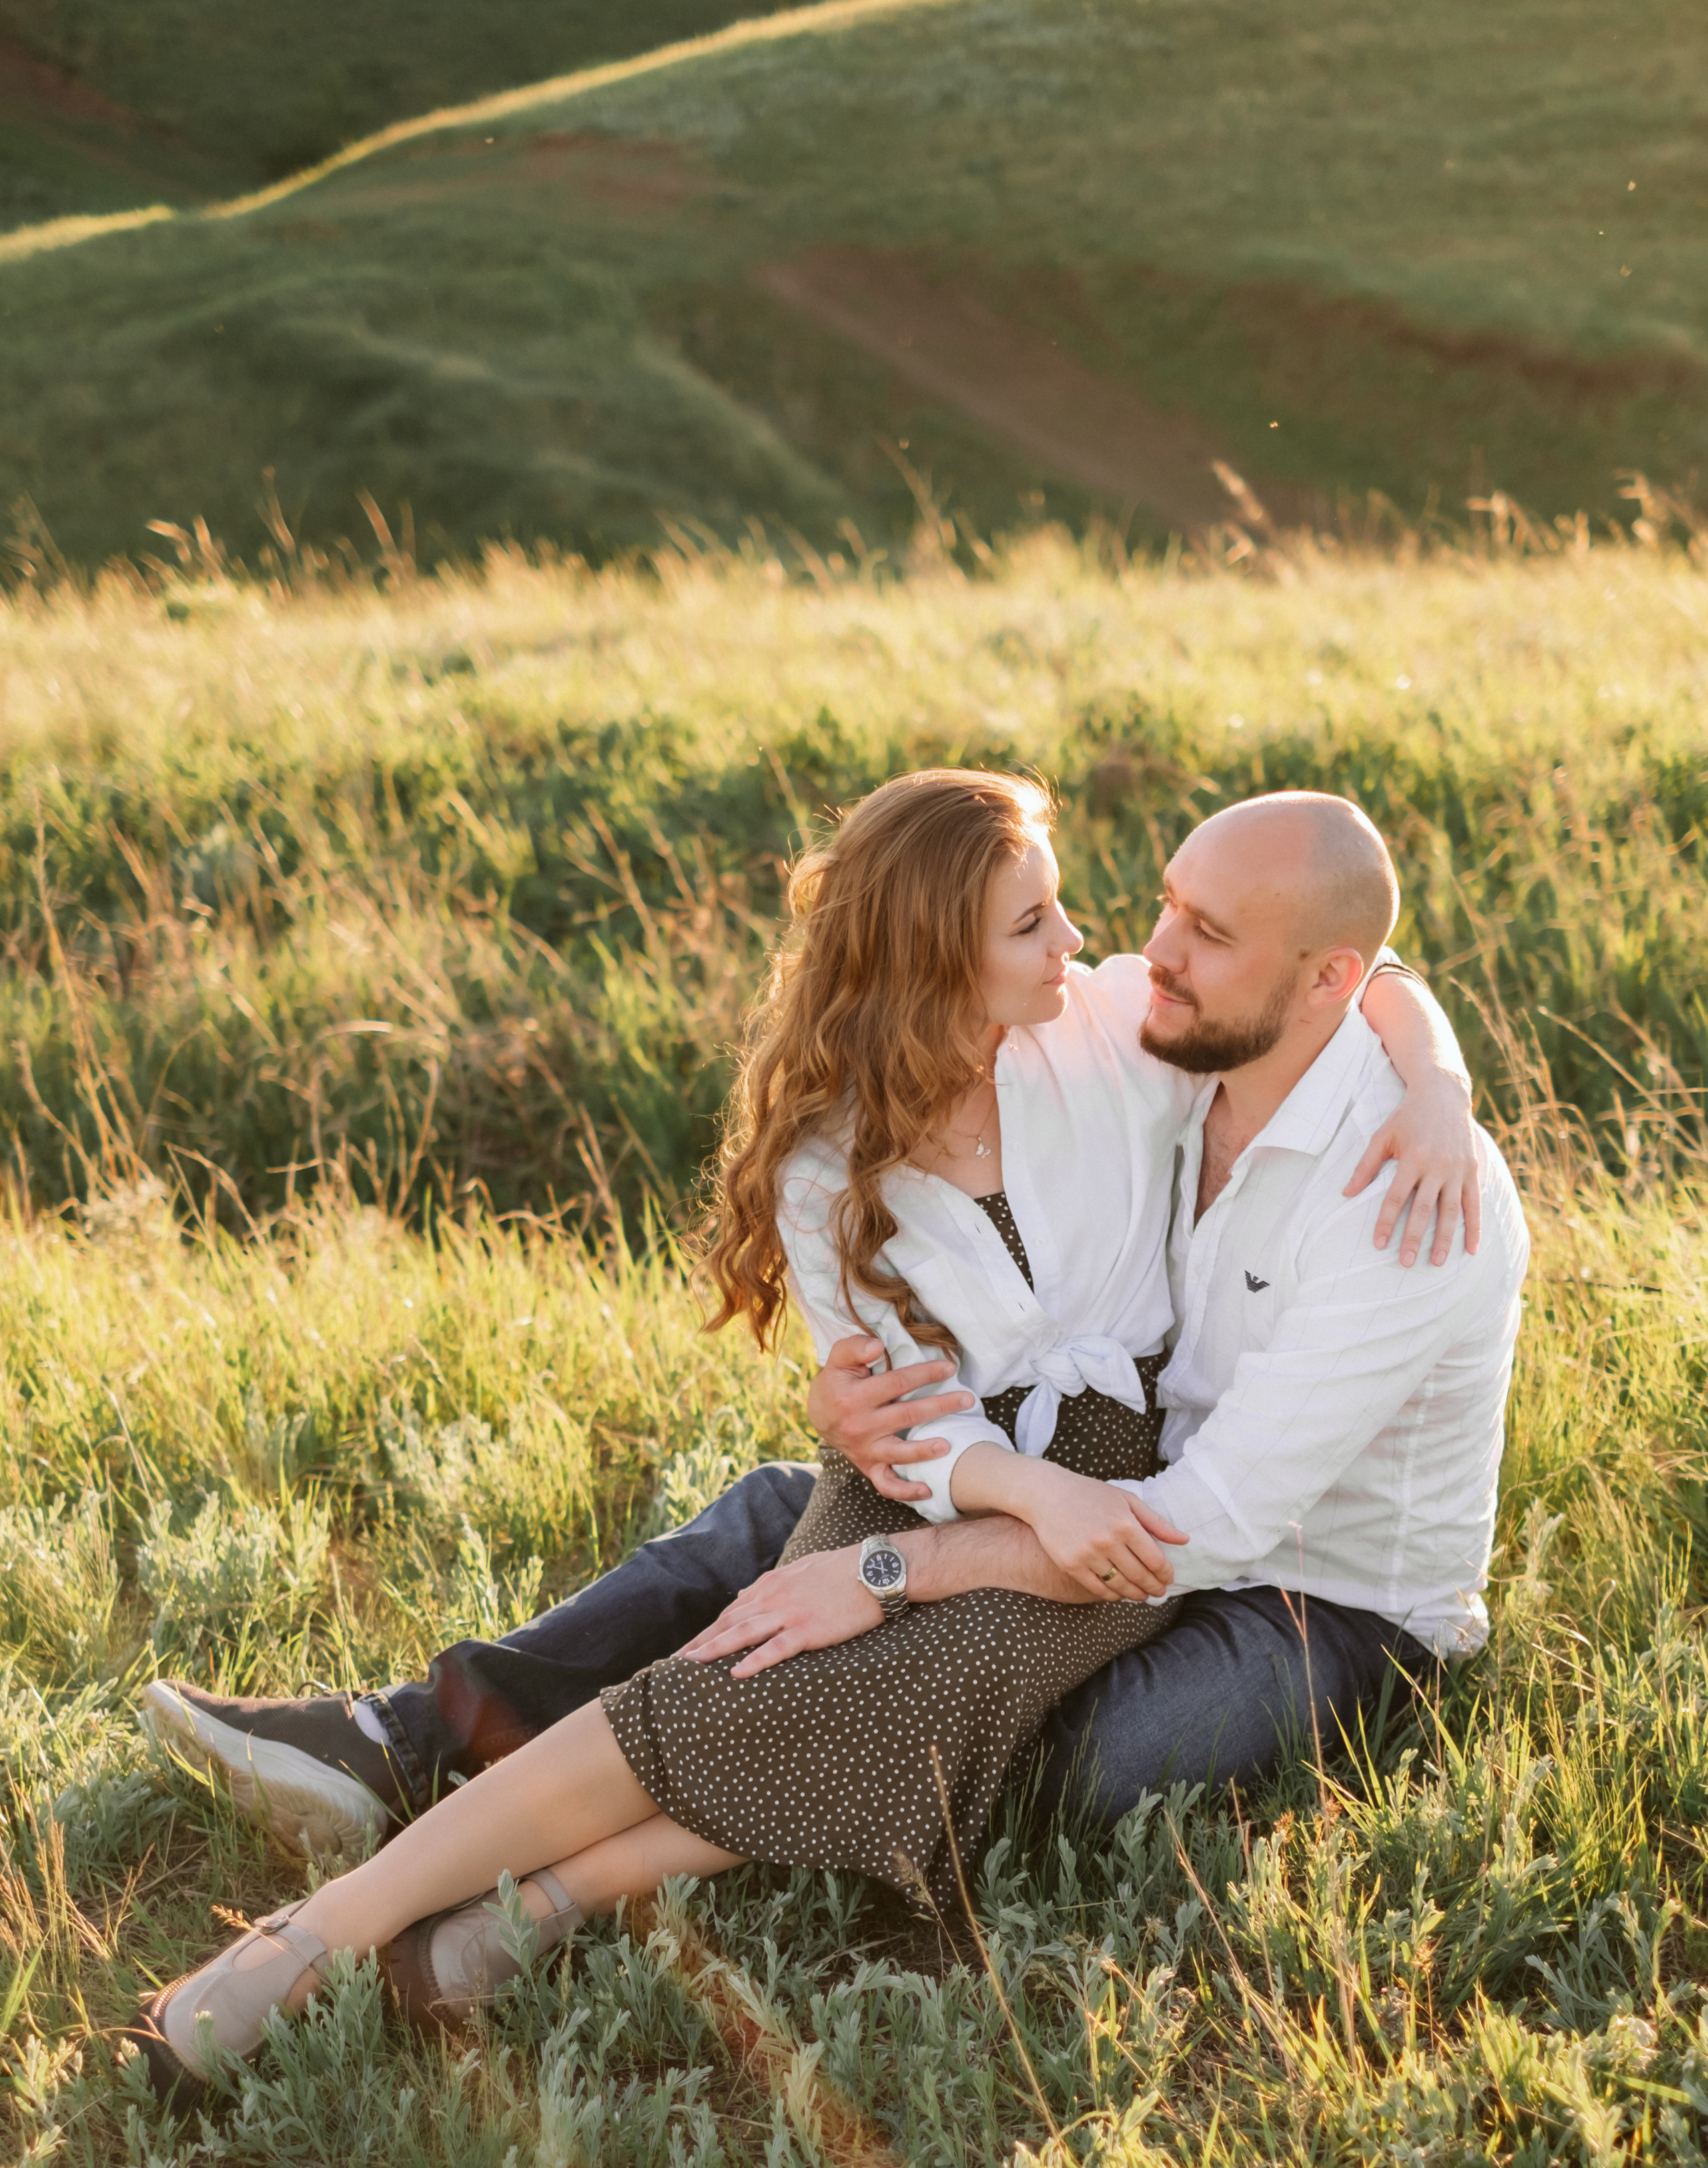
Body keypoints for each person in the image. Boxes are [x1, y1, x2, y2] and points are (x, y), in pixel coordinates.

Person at [133, 778, 1477, 2101]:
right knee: (756, 1643)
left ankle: (419, 1916)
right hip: (948, 1474)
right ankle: (359, 1918)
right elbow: (912, 1409)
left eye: (1076, 917)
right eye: (1035, 922)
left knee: (899, 1687)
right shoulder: (834, 1163)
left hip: (1155, 1504)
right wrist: (973, 1494)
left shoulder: (1115, 1032)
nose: (1094, 942)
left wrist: (1436, 1083)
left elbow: (1359, 959)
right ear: (933, 959)